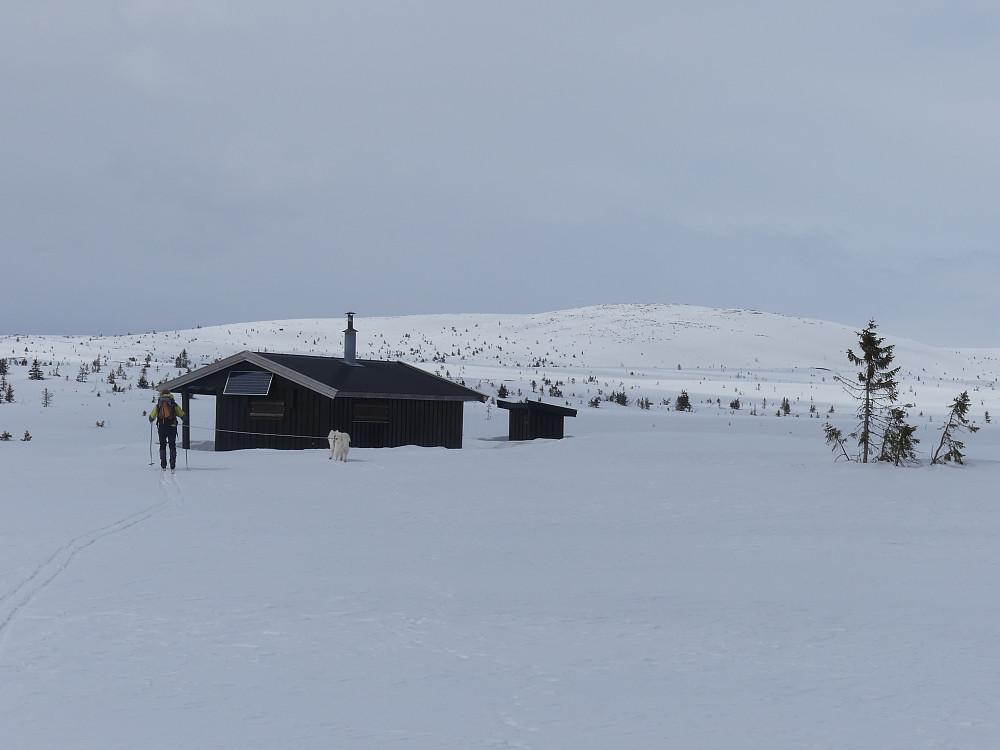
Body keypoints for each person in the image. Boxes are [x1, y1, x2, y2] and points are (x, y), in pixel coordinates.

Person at [149, 389, 186, 471]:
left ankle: (163, 463)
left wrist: (151, 419)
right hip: (172, 427)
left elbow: (151, 417)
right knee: (172, 445)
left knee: (162, 445)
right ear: (169, 394)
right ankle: (172, 463)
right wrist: (184, 419)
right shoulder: (173, 404)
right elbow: (182, 414)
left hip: (162, 427)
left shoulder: (159, 404)